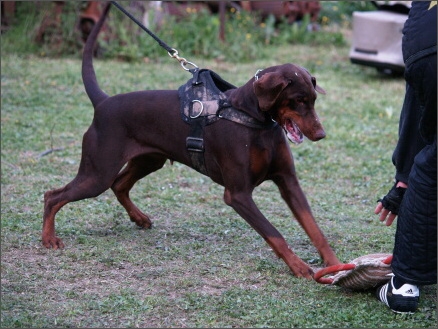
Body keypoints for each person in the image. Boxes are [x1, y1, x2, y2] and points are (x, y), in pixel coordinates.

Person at [374, 1, 437, 314]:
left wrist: (406, 175)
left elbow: (419, 101)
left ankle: (404, 286)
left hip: (427, 41)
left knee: (432, 167)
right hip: (428, 45)